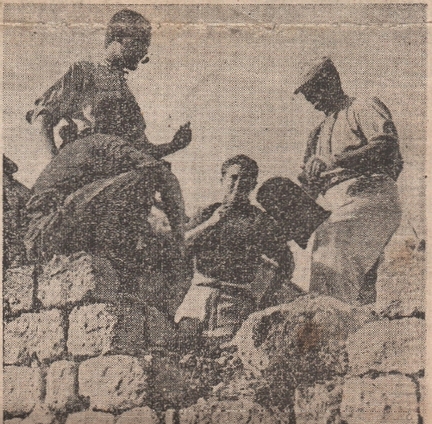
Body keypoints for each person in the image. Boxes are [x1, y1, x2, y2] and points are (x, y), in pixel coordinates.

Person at [26, 9, 191, 267]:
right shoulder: (86, 71)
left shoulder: (128, 97)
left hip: (115, 169)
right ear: (118, 40)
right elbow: (45, 116)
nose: (143, 54)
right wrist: (55, 160)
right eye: (139, 45)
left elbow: (139, 150)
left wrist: (174, 145)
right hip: (84, 166)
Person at [24, 98, 185, 280]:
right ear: (119, 122)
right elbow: (162, 175)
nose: (139, 133)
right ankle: (115, 252)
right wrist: (180, 239)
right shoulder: (103, 142)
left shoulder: (91, 146)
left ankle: (115, 253)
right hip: (49, 233)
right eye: (135, 125)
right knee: (144, 177)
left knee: (139, 177)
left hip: (42, 237)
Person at [294, 57, 403, 305]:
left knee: (332, 247)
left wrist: (335, 161)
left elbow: (387, 145)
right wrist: (308, 183)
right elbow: (309, 184)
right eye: (308, 96)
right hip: (336, 204)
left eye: (315, 92)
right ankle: (357, 324)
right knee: (352, 276)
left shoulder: (361, 106)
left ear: (332, 82)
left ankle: (329, 320)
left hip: (369, 195)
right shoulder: (317, 133)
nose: (312, 101)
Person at [175, 155, 294, 347]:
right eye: (234, 177)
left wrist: (265, 298)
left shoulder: (259, 220)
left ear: (253, 185)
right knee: (181, 355)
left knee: (225, 361)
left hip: (235, 303)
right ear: (222, 180)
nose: (238, 184)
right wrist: (211, 223)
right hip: (197, 299)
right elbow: (178, 248)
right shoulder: (206, 213)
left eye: (246, 179)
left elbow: (286, 262)